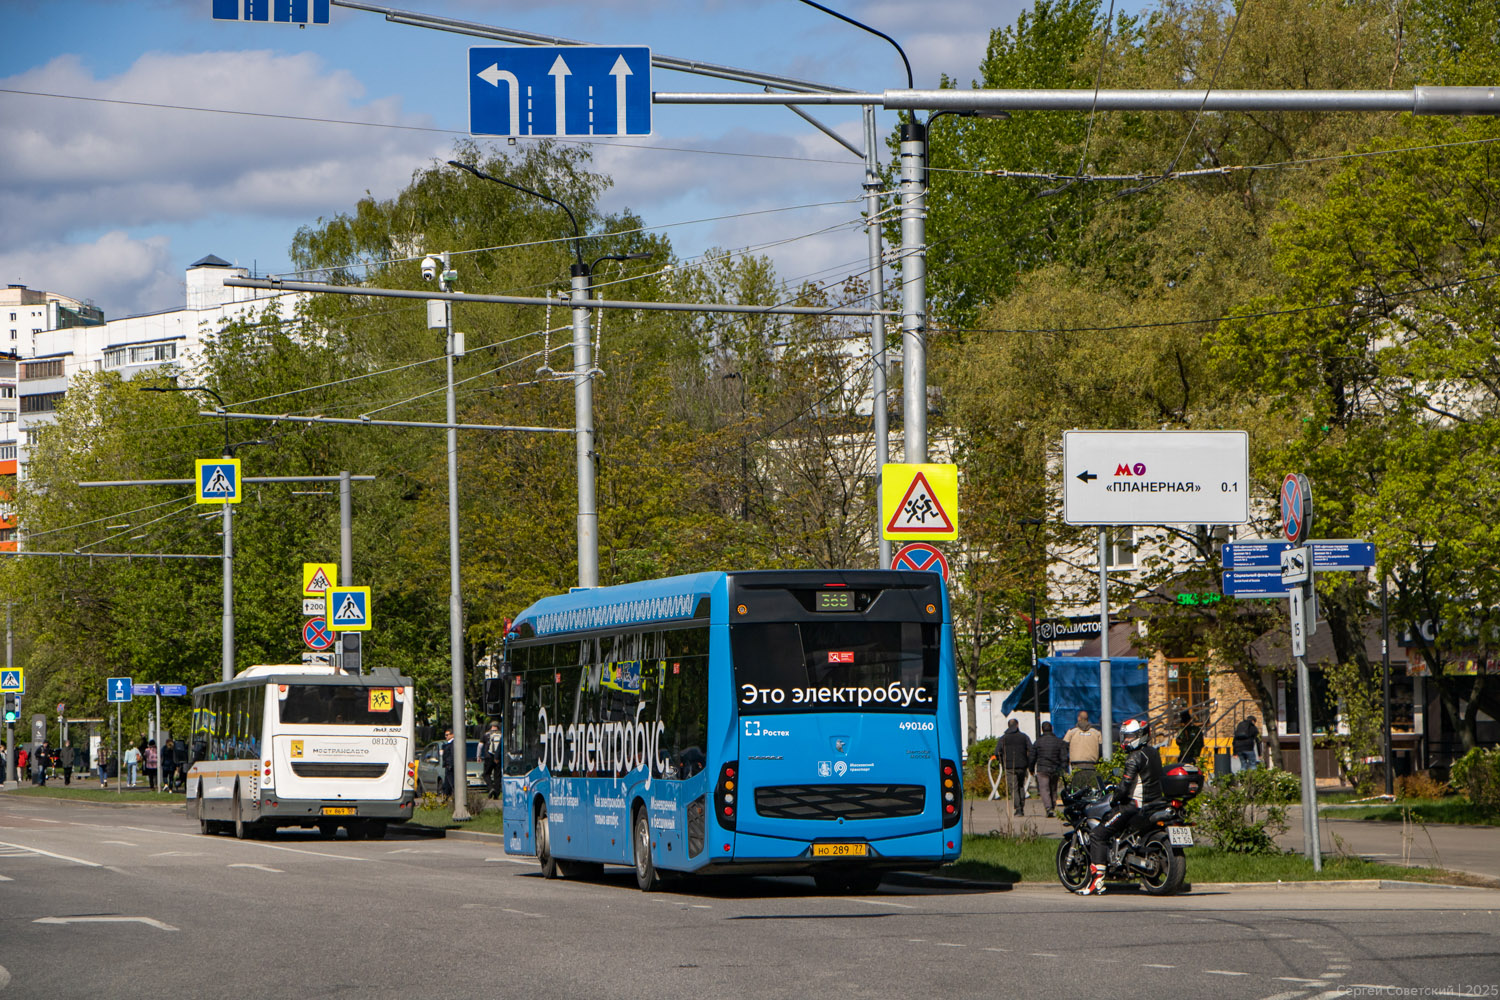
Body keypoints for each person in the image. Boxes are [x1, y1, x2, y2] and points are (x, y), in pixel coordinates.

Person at [1078, 717, 1164, 896]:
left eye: (1130, 737)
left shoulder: (1134, 757)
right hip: (1154, 804)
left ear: (1140, 736)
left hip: (1134, 805)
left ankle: (1097, 881)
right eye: (1125, 737)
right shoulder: (1154, 753)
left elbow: (1125, 787)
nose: (1126, 741)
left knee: (1098, 834)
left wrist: (1114, 798)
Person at [1029, 721, 1067, 818]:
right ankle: (1052, 807)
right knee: (1053, 788)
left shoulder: (1038, 742)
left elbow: (1032, 756)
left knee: (1044, 789)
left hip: (1042, 768)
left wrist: (1031, 768)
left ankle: (1048, 808)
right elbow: (1063, 756)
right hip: (1055, 768)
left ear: (1042, 729)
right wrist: (1064, 768)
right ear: (1052, 728)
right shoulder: (1058, 741)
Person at [995, 718, 1033, 816]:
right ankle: (1021, 806)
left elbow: (997, 752)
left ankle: (1018, 808)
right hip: (1022, 765)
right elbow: (1031, 750)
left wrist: (1002, 762)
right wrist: (1029, 762)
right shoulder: (1024, 737)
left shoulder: (1004, 738)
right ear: (1017, 725)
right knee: (1021, 786)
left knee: (1013, 788)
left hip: (1009, 766)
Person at [1063, 710, 1104, 790]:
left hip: (1076, 765)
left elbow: (1064, 746)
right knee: (1091, 787)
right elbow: (1101, 749)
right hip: (1092, 765)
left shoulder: (1072, 732)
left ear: (1078, 718)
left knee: (1077, 787)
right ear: (1088, 719)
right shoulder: (1096, 732)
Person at [481, 721, 504, 798]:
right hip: (499, 757)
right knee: (497, 775)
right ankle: (496, 794)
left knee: (486, 774)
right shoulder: (501, 735)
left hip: (489, 757)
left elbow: (480, 746)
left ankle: (490, 788)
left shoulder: (486, 735)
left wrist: (478, 756)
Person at [440, 729, 456, 798]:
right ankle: (446, 797)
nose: (446, 736)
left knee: (451, 783)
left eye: (447, 735)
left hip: (450, 766)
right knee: (447, 784)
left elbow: (452, 754)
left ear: (452, 735)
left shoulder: (453, 744)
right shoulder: (448, 744)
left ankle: (452, 796)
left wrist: (450, 765)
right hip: (448, 765)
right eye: (445, 735)